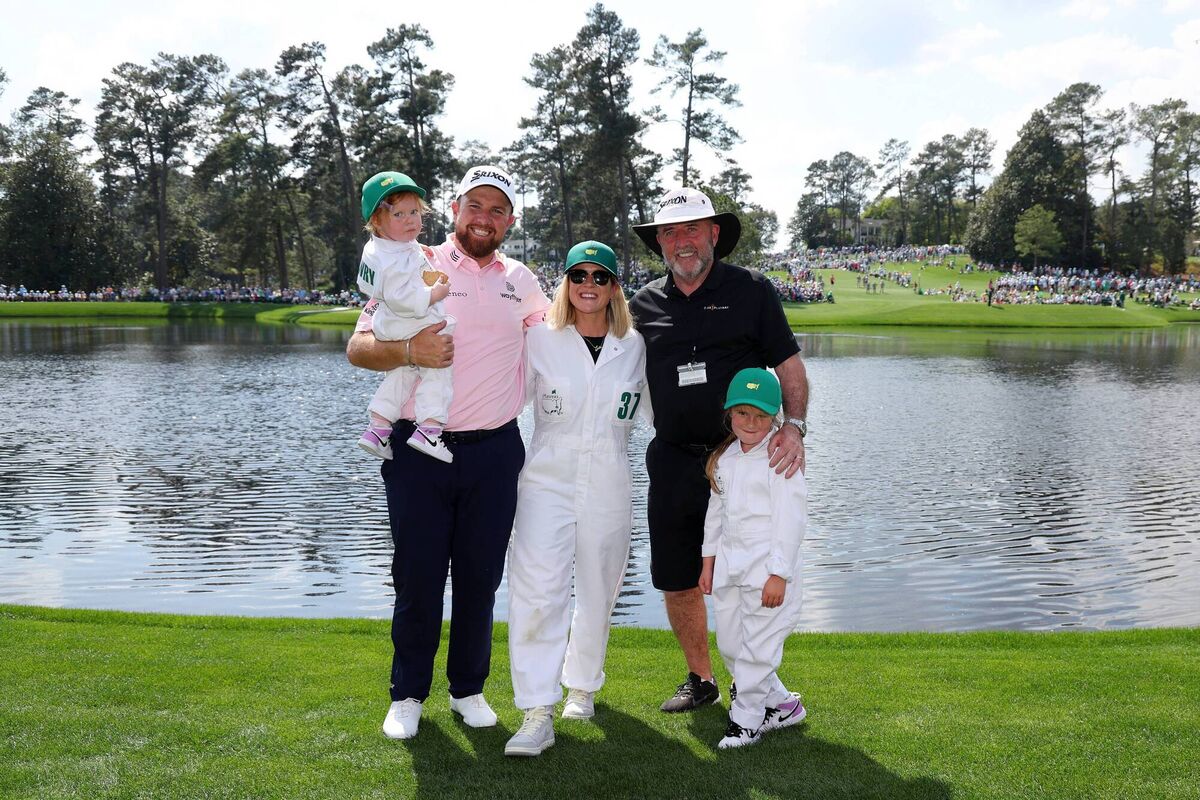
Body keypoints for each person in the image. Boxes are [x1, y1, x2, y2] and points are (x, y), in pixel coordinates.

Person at [346, 165, 551, 740]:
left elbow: (554, 341)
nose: (483, 218)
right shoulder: (414, 260)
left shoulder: (523, 280)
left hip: (494, 451)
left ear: (509, 220)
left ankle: (467, 689)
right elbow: (359, 347)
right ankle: (408, 693)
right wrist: (409, 347)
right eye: (474, 206)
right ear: (455, 208)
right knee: (418, 575)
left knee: (480, 578)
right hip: (417, 449)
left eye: (497, 209)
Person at [629, 186, 808, 714]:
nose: (681, 242)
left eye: (691, 230)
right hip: (673, 458)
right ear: (659, 242)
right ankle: (702, 677)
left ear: (713, 235)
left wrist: (794, 426)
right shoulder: (643, 304)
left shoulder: (751, 290)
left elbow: (791, 369)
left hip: (742, 460)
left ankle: (752, 681)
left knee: (751, 575)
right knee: (678, 575)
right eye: (669, 232)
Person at [504, 241, 649, 757]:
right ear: (565, 282)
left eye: (601, 276)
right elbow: (498, 396)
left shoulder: (634, 345)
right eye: (578, 275)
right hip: (546, 478)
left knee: (599, 587)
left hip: (610, 476)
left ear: (614, 288)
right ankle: (536, 708)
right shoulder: (540, 339)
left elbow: (664, 413)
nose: (589, 285)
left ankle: (583, 686)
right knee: (538, 590)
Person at [699, 368, 807, 749]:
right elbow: (716, 513)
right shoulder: (725, 457)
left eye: (760, 416)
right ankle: (783, 705)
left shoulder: (780, 458)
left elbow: (790, 521)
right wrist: (708, 562)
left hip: (767, 573)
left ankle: (746, 721)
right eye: (742, 413)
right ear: (729, 414)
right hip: (730, 567)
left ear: (774, 417)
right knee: (731, 646)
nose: (750, 423)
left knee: (757, 651)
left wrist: (779, 573)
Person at [354, 171, 455, 463]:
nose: (411, 220)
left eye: (414, 212)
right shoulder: (393, 261)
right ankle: (430, 429)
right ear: (377, 221)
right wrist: (436, 293)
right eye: (399, 214)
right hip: (410, 319)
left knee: (402, 373)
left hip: (390, 325)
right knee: (439, 366)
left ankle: (378, 427)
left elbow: (383, 276)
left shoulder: (381, 248)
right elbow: (403, 298)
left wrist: (415, 253)